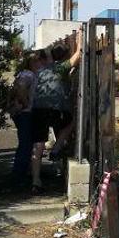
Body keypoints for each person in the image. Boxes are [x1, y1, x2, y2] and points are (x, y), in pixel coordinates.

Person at [31, 30, 82, 194]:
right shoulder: (60, 68)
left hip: (37, 110)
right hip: (55, 109)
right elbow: (77, 57)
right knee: (71, 122)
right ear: (63, 57)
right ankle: (56, 148)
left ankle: (36, 181)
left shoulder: (40, 71)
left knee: (37, 146)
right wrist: (80, 40)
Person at [8, 51, 41, 185]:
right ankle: (18, 175)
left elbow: (13, 90)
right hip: (25, 113)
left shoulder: (23, 73)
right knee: (26, 144)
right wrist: (26, 104)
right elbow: (21, 88)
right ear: (33, 63)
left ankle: (20, 172)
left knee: (25, 142)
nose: (41, 63)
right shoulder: (28, 74)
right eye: (39, 61)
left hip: (20, 112)